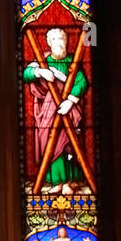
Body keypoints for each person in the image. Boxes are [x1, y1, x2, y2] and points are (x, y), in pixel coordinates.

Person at [22, 27, 89, 192]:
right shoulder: (43, 60)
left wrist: (70, 101)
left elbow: (81, 82)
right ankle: (56, 182)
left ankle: (68, 183)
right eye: (55, 39)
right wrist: (40, 72)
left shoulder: (72, 62)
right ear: (49, 42)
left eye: (62, 39)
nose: (60, 43)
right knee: (49, 141)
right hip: (48, 112)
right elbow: (26, 73)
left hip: (69, 110)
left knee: (68, 143)